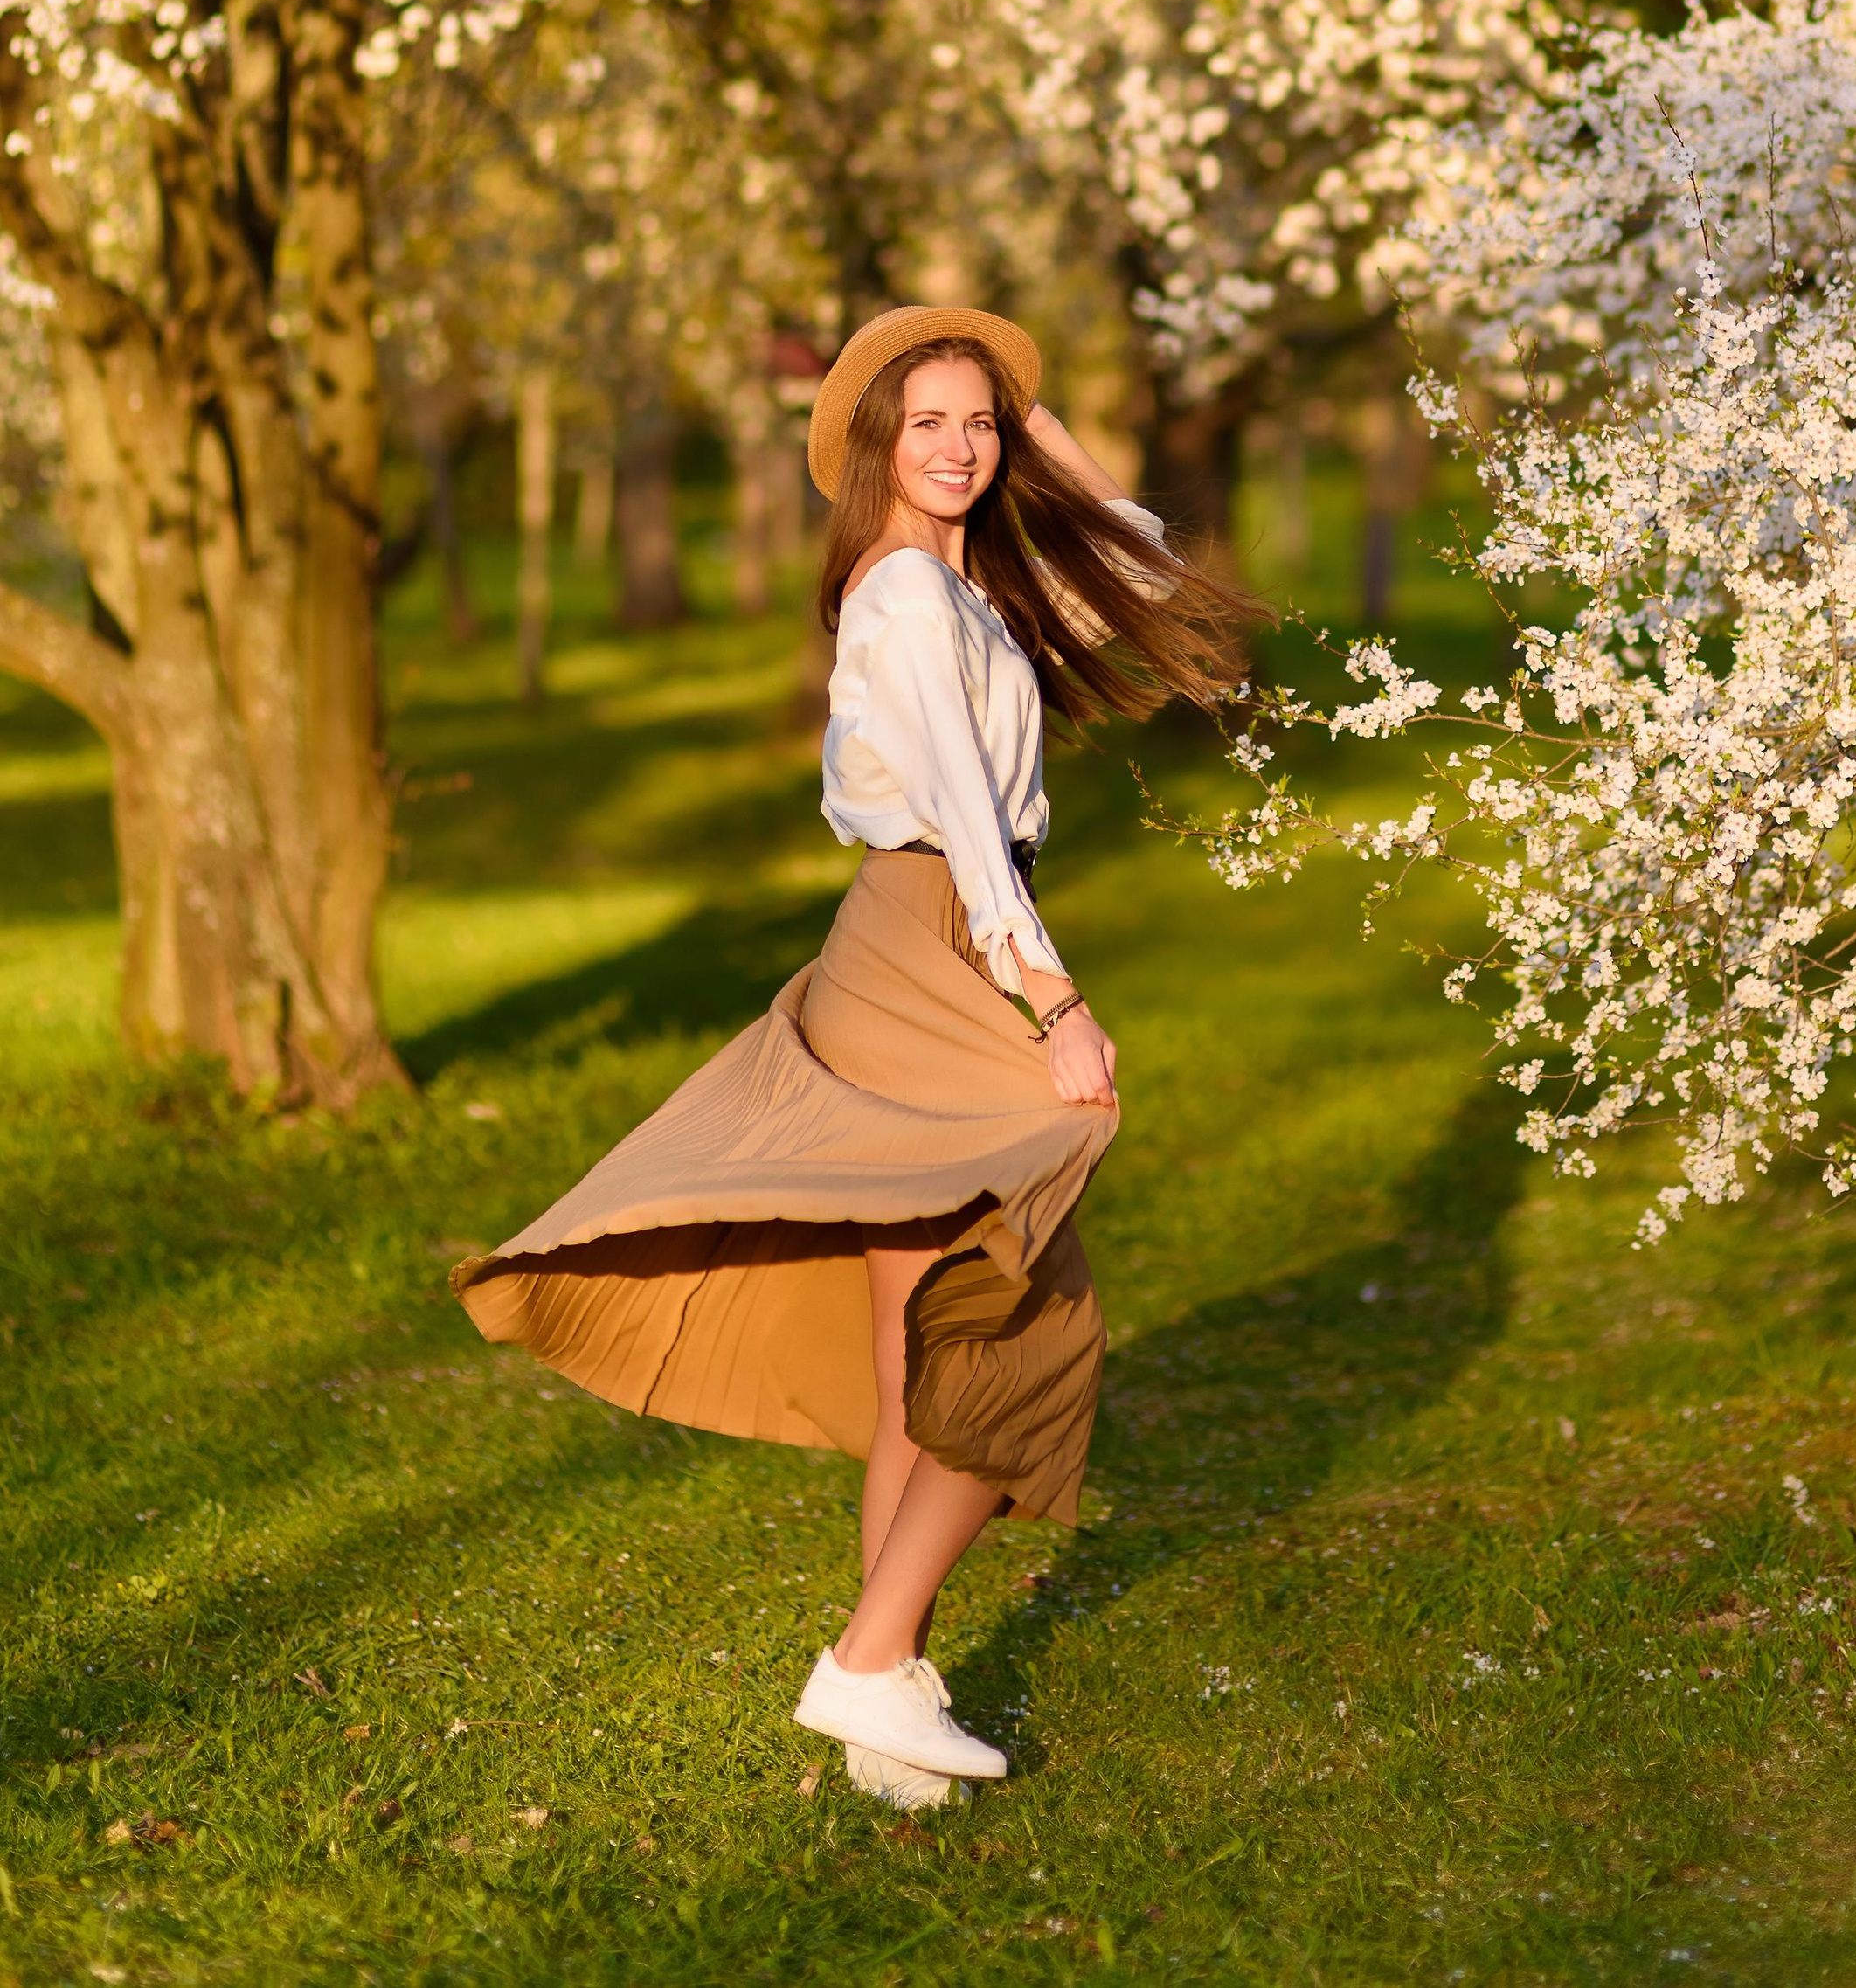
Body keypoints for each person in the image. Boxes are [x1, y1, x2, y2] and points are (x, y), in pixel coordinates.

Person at [454, 304, 1257, 1803]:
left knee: (916, 1354)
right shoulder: (899, 600)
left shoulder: (978, 593)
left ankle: (886, 1701)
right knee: (1023, 1308)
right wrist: (1052, 998)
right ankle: (872, 1659)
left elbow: (1147, 564)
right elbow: (961, 809)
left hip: (926, 930)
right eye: (928, 424)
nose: (957, 449)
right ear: (875, 450)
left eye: (981, 423)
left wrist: (1054, 432)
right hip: (944, 930)